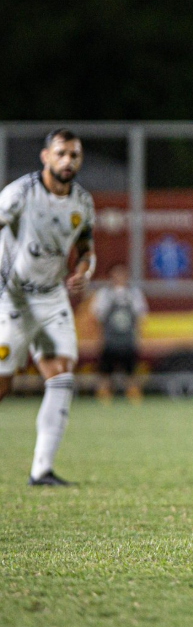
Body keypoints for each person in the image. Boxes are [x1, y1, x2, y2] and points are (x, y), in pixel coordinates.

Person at [0, 128, 96, 486]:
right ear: (46, 157)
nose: (68, 161)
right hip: (12, 297)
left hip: (52, 298)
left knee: (62, 377)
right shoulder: (19, 194)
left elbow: (86, 248)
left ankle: (41, 470)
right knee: (3, 383)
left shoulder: (82, 202)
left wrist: (84, 271)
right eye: (61, 154)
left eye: (74, 155)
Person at [90, 263, 148, 404]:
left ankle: (134, 397)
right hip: (110, 340)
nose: (119, 277)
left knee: (131, 371)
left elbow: (140, 317)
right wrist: (99, 338)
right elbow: (97, 318)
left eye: (122, 274)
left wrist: (138, 338)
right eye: (116, 274)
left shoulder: (134, 294)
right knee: (105, 371)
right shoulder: (104, 294)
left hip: (127, 340)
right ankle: (104, 398)